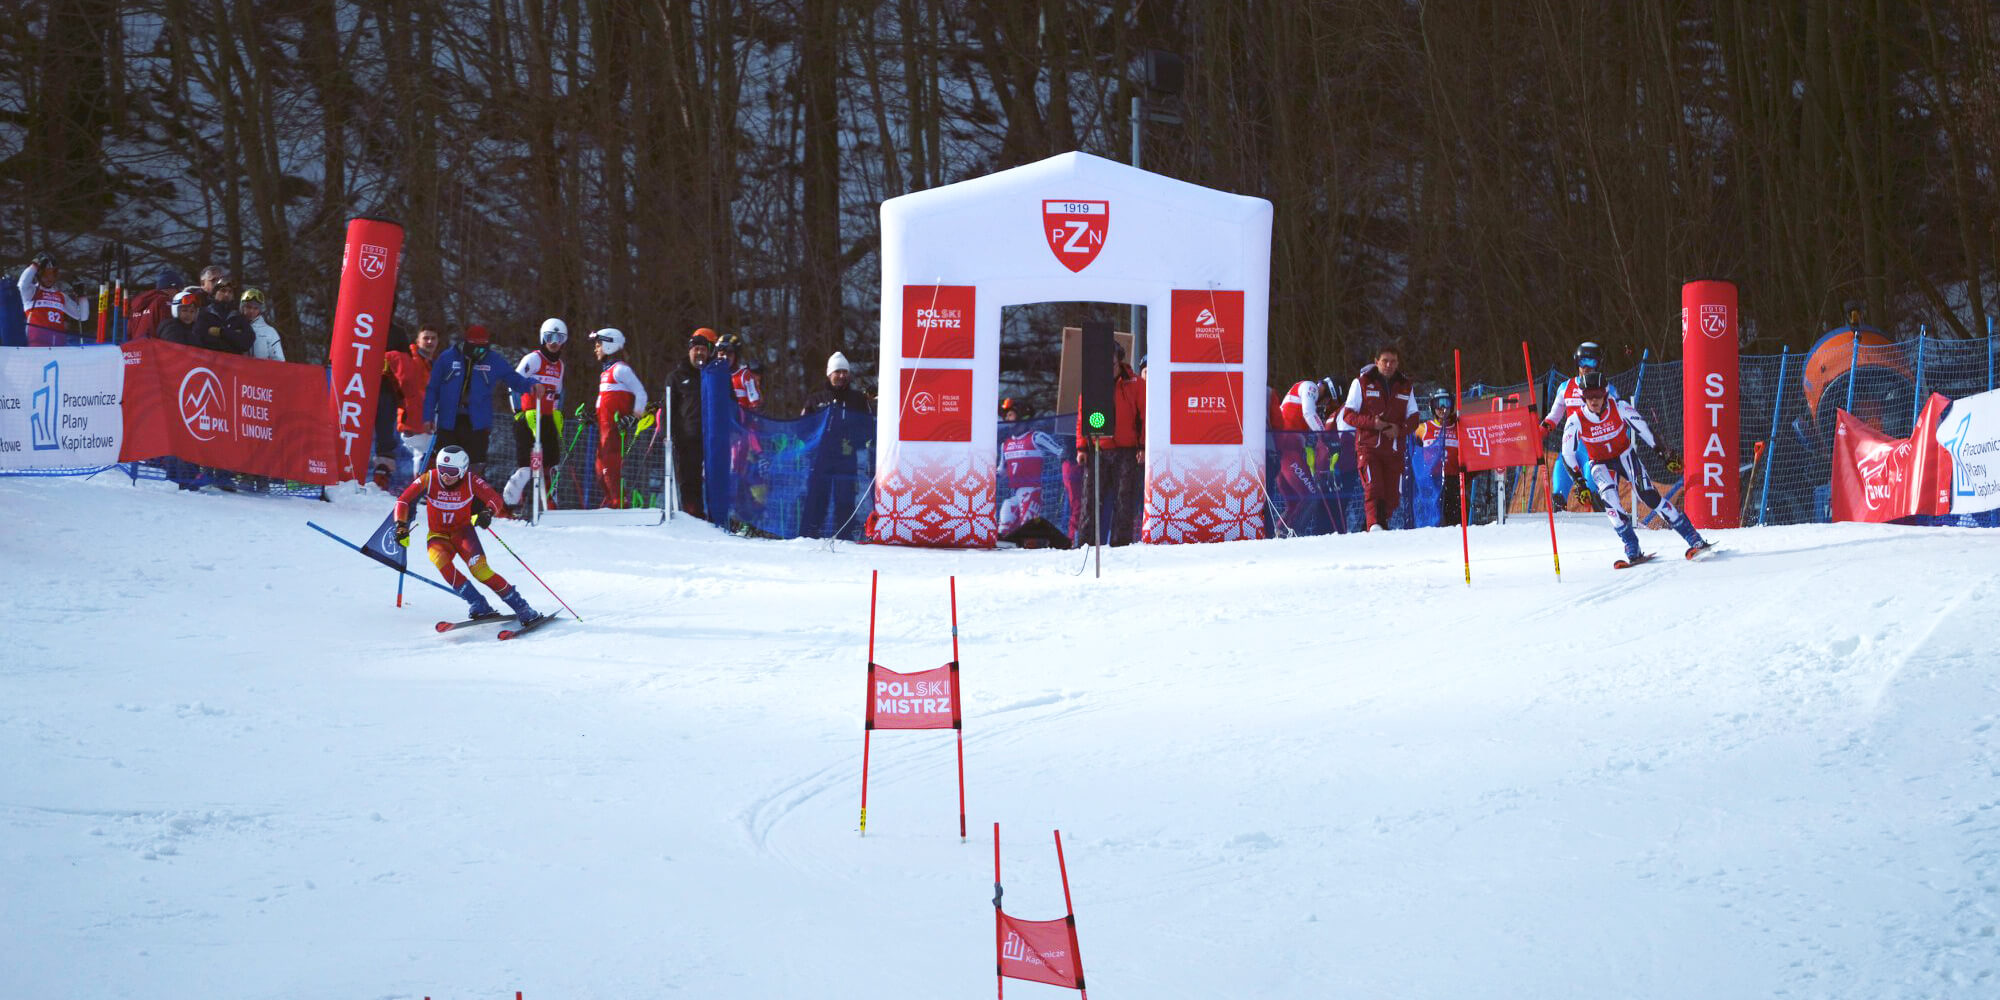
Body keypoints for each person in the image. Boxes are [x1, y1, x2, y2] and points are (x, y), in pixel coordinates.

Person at [1561, 371, 1710, 566]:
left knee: (1648, 495)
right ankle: (1632, 547)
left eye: (1597, 394)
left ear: (1605, 394)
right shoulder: (1576, 420)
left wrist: (1664, 453)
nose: (1594, 400)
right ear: (1583, 397)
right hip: (1600, 463)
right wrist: (1580, 483)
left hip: (1625, 455)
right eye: (1589, 396)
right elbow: (1567, 454)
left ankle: (1694, 539)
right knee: (1610, 502)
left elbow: (1644, 430)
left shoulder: (1620, 407)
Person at [392, 445, 541, 625]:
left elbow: (495, 499)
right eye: (442, 470)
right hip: (438, 535)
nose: (446, 476)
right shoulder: (429, 478)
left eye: (452, 472)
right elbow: (403, 500)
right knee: (441, 562)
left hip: (463, 534)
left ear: (462, 470)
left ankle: (522, 607)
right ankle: (478, 603)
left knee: (480, 571)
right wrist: (400, 525)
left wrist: (487, 513)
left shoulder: (470, 480)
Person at [424, 323, 544, 476]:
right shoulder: (447, 358)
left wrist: (532, 385)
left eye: (483, 348)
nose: (480, 353)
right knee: (446, 464)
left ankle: (475, 497)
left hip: (477, 424)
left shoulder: (493, 360)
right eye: (476, 349)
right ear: (466, 344)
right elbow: (432, 389)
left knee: (475, 467)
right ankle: (442, 496)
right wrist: (427, 417)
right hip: (449, 421)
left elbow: (513, 379)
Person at [1337, 344, 1421, 531]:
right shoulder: (1362, 382)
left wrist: (1399, 429)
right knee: (1373, 489)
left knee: (1392, 498)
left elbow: (1414, 417)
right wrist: (1372, 423)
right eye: (1385, 361)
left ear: (1398, 363)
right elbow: (1348, 415)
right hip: (1368, 448)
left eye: (1393, 361)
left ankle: (1374, 527)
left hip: (1393, 450)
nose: (1389, 365)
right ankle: (1374, 526)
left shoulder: (1406, 386)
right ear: (1376, 362)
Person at [1072, 342, 1145, 547]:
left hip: (1127, 449)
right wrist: (1081, 447)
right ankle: (1085, 545)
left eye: (1111, 363)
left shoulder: (1136, 384)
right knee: (1091, 499)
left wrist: (1142, 447)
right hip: (1098, 449)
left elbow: (1144, 417)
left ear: (1119, 361)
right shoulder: (1093, 384)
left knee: (1124, 498)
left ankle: (1120, 543)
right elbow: (1081, 417)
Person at [799, 351, 874, 538]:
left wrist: (855, 443)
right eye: (837, 372)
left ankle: (845, 537)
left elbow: (868, 428)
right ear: (829, 374)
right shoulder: (816, 399)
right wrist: (812, 446)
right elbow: (803, 428)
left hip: (846, 459)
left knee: (845, 500)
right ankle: (810, 537)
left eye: (844, 372)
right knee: (817, 499)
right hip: (820, 459)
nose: (841, 375)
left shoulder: (857, 399)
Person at [1541, 342, 1619, 511]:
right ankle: (1561, 532)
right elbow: (1553, 417)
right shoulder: (1565, 388)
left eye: (1591, 363)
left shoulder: (1607, 389)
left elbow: (1619, 419)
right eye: (1582, 362)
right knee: (1557, 496)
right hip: (1570, 452)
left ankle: (1606, 529)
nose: (1586, 368)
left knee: (1595, 497)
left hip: (1595, 452)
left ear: (1599, 364)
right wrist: (1539, 432)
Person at [505, 318, 570, 511]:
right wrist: (517, 412)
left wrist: (557, 413)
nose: (554, 342)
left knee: (551, 463)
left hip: (547, 417)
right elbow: (513, 382)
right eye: (550, 337)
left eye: (559, 338)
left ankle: (550, 502)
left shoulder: (560, 365)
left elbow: (558, 392)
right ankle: (513, 504)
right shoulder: (533, 359)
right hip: (528, 417)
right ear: (543, 337)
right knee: (527, 465)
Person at [1273, 376, 1342, 535]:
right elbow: (1309, 414)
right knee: (1310, 496)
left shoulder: (1305, 394)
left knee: (1295, 501)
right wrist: (1325, 438)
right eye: (1327, 401)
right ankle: (1293, 535)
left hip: (1285, 451)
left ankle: (1281, 533)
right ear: (1327, 391)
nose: (1323, 405)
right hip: (1287, 450)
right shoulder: (1310, 387)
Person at [590, 327, 648, 509]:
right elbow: (605, 404)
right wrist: (592, 417)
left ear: (609, 345)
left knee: (610, 468)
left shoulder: (620, 370)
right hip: (604, 431)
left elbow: (641, 394)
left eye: (598, 344)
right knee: (600, 471)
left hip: (616, 432)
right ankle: (611, 501)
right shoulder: (605, 373)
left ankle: (618, 502)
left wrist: (634, 416)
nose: (595, 349)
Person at [665, 329, 711, 519]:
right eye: (696, 349)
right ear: (689, 351)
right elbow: (668, 408)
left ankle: (719, 516)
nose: (699, 353)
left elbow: (731, 403)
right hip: (688, 438)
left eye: (703, 349)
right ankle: (693, 516)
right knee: (689, 479)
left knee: (716, 479)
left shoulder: (715, 375)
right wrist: (667, 434)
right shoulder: (676, 377)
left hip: (714, 437)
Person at [387, 324, 440, 479]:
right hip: (411, 418)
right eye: (426, 338)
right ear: (418, 340)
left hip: (427, 419)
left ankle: (422, 489)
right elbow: (385, 358)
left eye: (433, 338)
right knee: (423, 454)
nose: (430, 342)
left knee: (428, 453)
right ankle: (418, 490)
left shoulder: (433, 364)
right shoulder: (408, 357)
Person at [19, 254, 89, 346]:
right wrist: (34, 265)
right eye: (46, 274)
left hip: (58, 347)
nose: (50, 278)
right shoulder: (31, 292)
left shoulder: (61, 296)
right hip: (36, 346)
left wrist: (82, 296)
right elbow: (22, 285)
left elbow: (82, 316)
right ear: (39, 274)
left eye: (53, 274)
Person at [1416, 389, 1462, 527]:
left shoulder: (1458, 428)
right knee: (1432, 517)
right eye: (1438, 404)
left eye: (1446, 403)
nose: (1443, 408)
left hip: (1453, 478)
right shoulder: (1423, 428)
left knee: (1454, 516)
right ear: (1432, 406)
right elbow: (1413, 453)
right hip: (1431, 481)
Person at [195, 276, 254, 355]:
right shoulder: (204, 314)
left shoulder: (238, 317)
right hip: (209, 363)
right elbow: (199, 339)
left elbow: (246, 342)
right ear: (215, 293)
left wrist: (221, 332)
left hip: (233, 364)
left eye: (230, 292)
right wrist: (234, 336)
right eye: (223, 291)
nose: (227, 294)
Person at [715, 333, 762, 410]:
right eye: (721, 354)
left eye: (729, 354)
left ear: (736, 356)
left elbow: (755, 405)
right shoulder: (715, 376)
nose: (725, 357)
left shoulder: (744, 375)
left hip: (740, 420)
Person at [238, 287, 284, 360]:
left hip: (261, 370)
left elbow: (279, 360)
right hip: (238, 370)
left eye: (255, 308)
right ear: (242, 307)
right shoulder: (234, 326)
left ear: (260, 310)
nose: (251, 311)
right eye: (249, 307)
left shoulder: (269, 332)